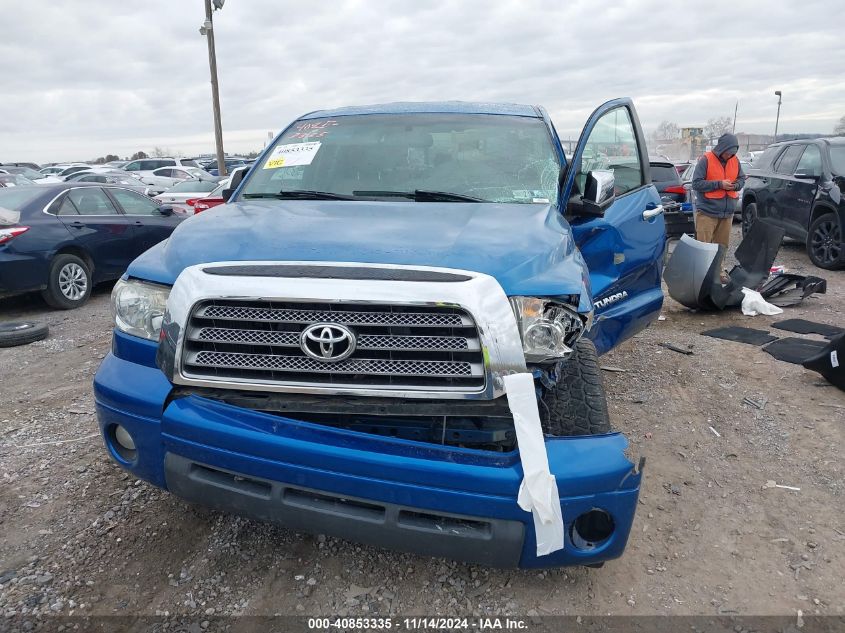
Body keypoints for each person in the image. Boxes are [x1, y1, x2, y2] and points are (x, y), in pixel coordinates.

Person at [691, 133, 746, 279]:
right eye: (728, 152)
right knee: (704, 247)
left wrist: (736, 186)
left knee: (722, 247)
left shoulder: (735, 160)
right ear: (721, 148)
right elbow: (696, 184)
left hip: (727, 213)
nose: (730, 155)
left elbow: (741, 179)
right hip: (707, 212)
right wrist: (719, 184)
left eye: (733, 153)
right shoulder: (706, 160)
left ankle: (718, 273)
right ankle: (701, 276)